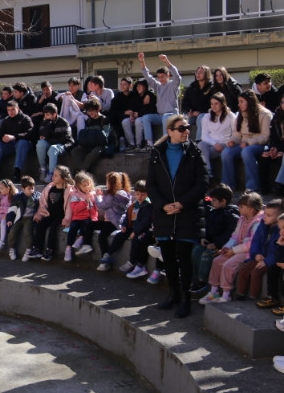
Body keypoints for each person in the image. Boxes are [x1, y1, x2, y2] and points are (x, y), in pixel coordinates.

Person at [147, 114, 209, 318]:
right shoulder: (157, 153)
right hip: (165, 214)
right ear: (170, 131)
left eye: (187, 127)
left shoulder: (194, 152)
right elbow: (151, 184)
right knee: (168, 259)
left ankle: (185, 299)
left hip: (187, 214)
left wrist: (182, 203)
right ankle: (173, 294)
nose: (186, 131)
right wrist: (163, 205)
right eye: (181, 128)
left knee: (184, 260)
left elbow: (202, 183)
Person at [199, 192, 263, 304]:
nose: (239, 208)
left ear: (251, 209)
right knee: (217, 261)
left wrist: (233, 251)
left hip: (248, 253)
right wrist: (226, 248)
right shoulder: (242, 219)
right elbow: (235, 236)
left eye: (242, 206)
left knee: (228, 265)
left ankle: (226, 294)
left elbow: (250, 244)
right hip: (237, 249)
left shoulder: (257, 223)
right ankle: (214, 291)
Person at [97, 180, 153, 275]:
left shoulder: (148, 206)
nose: (140, 197)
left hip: (142, 230)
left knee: (136, 240)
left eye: (143, 194)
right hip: (132, 227)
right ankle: (109, 254)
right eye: (137, 194)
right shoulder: (134, 205)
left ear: (147, 194)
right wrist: (124, 225)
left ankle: (132, 261)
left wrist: (135, 232)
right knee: (120, 235)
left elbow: (145, 222)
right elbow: (127, 217)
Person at [190, 184, 239, 292]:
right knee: (196, 251)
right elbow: (207, 227)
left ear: (223, 201)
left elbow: (230, 234)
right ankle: (195, 278)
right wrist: (203, 237)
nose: (212, 202)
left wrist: (216, 244)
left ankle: (203, 281)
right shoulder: (213, 212)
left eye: (214, 200)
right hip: (210, 243)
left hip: (221, 247)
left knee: (207, 256)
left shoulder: (231, 215)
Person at [220, 90, 272, 192]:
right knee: (226, 152)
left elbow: (266, 136)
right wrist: (233, 141)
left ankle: (252, 186)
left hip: (260, 145)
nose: (239, 104)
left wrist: (249, 142)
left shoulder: (265, 114)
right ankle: (227, 186)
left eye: (241, 101)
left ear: (249, 101)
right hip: (243, 144)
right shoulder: (241, 114)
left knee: (247, 152)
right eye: (238, 101)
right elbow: (237, 134)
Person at [23, 166, 75, 262]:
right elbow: (43, 203)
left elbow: (69, 207)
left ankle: (50, 250)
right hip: (49, 214)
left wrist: (67, 219)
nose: (53, 177)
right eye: (53, 175)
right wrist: (40, 214)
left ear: (63, 178)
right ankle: (37, 248)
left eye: (56, 175)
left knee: (53, 228)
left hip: (60, 216)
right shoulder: (50, 188)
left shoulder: (68, 191)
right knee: (40, 225)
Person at [236, 200, 283, 303]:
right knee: (244, 269)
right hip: (260, 257)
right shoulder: (262, 226)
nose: (264, 217)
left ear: (278, 217)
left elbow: (278, 251)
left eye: (268, 215)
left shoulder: (280, 230)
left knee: (256, 272)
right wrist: (256, 254)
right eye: (264, 213)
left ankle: (253, 296)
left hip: (271, 260)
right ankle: (240, 293)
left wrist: (266, 261)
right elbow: (255, 242)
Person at [138, 52, 182, 145]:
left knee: (166, 117)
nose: (160, 79)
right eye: (159, 77)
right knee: (146, 118)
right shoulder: (158, 86)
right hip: (160, 116)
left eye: (163, 77)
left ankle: (165, 142)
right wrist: (142, 61)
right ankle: (149, 143)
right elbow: (147, 76)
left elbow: (177, 76)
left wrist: (166, 61)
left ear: (168, 75)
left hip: (172, 115)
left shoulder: (173, 85)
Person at [0, 100, 33, 182]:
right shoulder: (6, 120)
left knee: (22, 143)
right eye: (9, 110)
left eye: (13, 109)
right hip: (10, 145)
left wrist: (14, 137)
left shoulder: (26, 118)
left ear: (18, 108)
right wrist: (2, 138)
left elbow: (30, 133)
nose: (11, 112)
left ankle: (17, 172)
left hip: (23, 144)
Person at [90, 171, 132, 258]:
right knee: (90, 225)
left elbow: (101, 205)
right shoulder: (125, 194)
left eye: (107, 181)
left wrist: (98, 196)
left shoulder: (112, 195)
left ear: (111, 183)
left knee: (102, 237)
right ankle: (85, 242)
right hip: (119, 221)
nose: (106, 184)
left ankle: (105, 257)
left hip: (111, 222)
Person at [69, 97, 115, 174]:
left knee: (95, 152)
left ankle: (80, 171)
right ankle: (81, 170)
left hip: (101, 145)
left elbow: (107, 135)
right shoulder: (89, 120)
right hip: (89, 144)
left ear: (97, 109)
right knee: (75, 151)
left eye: (92, 110)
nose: (90, 113)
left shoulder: (104, 120)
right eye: (88, 111)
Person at [198, 93, 236, 179]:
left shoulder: (230, 116)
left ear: (222, 104)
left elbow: (235, 132)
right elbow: (204, 136)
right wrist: (215, 144)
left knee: (200, 154)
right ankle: (208, 172)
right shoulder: (206, 117)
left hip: (224, 143)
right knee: (201, 144)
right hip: (211, 143)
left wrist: (229, 142)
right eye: (212, 104)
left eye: (216, 104)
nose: (213, 106)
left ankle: (206, 174)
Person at [63, 172, 98, 262]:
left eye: (88, 185)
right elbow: (75, 209)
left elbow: (96, 208)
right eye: (84, 186)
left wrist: (98, 198)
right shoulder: (75, 195)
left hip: (89, 218)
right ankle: (68, 248)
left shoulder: (93, 194)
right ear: (78, 186)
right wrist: (85, 201)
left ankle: (81, 239)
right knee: (73, 228)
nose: (87, 187)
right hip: (77, 217)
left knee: (87, 225)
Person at [35, 103, 74, 183]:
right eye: (45, 114)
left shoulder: (63, 122)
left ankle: (51, 173)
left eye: (47, 115)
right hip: (51, 142)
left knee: (53, 148)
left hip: (63, 144)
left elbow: (64, 138)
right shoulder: (44, 122)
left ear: (54, 114)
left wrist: (49, 140)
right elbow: (42, 135)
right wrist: (48, 124)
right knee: (40, 144)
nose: (45, 116)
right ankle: (43, 169)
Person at [6, 176, 40, 261]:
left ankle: (29, 250)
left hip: (29, 218)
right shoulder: (18, 197)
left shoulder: (37, 196)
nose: (31, 191)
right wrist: (9, 219)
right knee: (12, 231)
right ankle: (11, 248)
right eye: (29, 189)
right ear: (23, 189)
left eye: (32, 188)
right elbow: (12, 208)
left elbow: (40, 207)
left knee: (28, 232)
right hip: (19, 218)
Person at [123, 79, 157, 151]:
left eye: (140, 86)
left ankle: (139, 143)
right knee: (125, 122)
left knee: (138, 121)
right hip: (134, 116)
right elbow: (131, 106)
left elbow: (151, 109)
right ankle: (131, 144)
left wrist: (139, 114)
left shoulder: (150, 96)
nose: (138, 88)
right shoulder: (134, 96)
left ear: (145, 87)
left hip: (143, 117)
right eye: (137, 86)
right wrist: (131, 114)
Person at [260, 92, 284, 194]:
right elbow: (273, 136)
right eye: (282, 102)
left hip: (282, 149)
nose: (283, 105)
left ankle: (281, 186)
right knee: (264, 156)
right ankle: (264, 189)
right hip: (279, 146)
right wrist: (274, 148)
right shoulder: (277, 116)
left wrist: (281, 150)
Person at [182, 65, 213, 141]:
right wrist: (189, 111)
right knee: (183, 120)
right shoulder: (192, 87)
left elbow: (212, 104)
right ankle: (183, 142)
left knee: (200, 118)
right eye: (197, 72)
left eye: (201, 72)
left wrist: (200, 112)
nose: (198, 74)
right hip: (193, 114)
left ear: (206, 74)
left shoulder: (211, 87)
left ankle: (198, 141)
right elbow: (185, 102)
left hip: (206, 114)